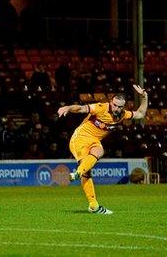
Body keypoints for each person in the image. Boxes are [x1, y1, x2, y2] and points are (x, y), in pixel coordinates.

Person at [57, 86, 148, 214]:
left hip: (94, 141)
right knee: (86, 171)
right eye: (115, 105)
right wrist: (67, 108)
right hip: (80, 139)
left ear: (124, 106)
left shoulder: (122, 115)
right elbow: (81, 108)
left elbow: (140, 114)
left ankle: (93, 204)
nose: (117, 108)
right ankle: (80, 176)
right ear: (111, 102)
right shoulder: (100, 108)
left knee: (99, 153)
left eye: (120, 107)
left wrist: (144, 96)